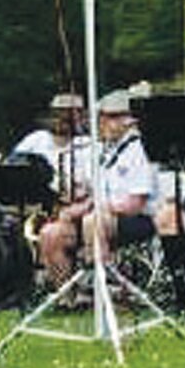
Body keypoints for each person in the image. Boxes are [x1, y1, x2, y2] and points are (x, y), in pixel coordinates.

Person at [37, 89, 157, 293]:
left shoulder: (139, 149)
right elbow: (94, 195)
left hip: (136, 219)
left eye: (108, 117)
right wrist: (73, 207)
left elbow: (135, 203)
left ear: (128, 120)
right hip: (100, 216)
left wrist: (94, 207)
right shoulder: (106, 150)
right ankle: (68, 297)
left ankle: (105, 290)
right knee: (51, 233)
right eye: (101, 117)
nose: (101, 123)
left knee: (93, 221)